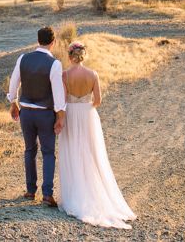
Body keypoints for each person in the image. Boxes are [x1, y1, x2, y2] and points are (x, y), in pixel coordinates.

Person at [57, 41, 136, 229]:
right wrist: (86, 108)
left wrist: (72, 109)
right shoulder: (93, 74)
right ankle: (93, 189)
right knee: (91, 153)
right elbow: (98, 100)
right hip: (88, 115)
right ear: (83, 55)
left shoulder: (65, 75)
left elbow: (62, 99)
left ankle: (75, 192)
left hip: (71, 114)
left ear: (70, 56)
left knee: (72, 151)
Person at [7, 26, 66, 207]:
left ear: (38, 40)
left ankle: (30, 190)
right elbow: (58, 93)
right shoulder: (54, 64)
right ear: (53, 42)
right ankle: (47, 194)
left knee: (29, 150)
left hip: (26, 113)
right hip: (45, 113)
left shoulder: (23, 58)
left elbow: (13, 82)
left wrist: (13, 102)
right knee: (48, 152)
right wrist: (60, 115)